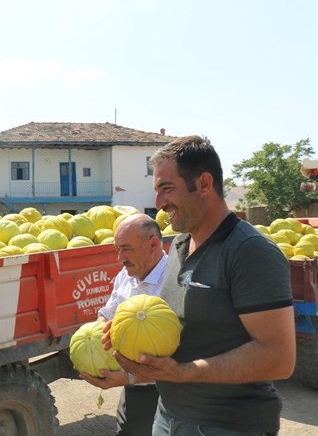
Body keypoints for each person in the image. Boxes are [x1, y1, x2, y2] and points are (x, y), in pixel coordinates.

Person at [113, 135, 295, 436]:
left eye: (166, 189)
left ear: (204, 184)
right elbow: (179, 332)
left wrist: (184, 373)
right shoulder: (179, 246)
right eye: (157, 191)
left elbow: (279, 357)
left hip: (228, 426)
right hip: (168, 418)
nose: (159, 203)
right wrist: (128, 337)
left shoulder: (250, 251)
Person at [81, 214, 167, 436]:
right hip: (133, 389)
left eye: (126, 249)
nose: (120, 258)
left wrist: (129, 377)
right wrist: (94, 342)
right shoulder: (126, 274)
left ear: (153, 244)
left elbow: (185, 357)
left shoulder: (175, 281)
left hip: (168, 393)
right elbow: (107, 314)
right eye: (117, 249)